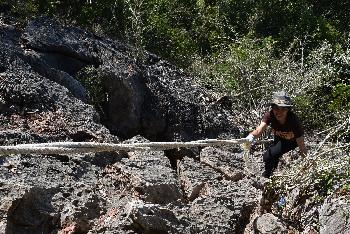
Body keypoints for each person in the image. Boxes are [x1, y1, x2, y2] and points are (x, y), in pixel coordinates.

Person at [245, 91, 307, 178]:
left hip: (291, 142)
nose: (279, 112)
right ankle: (269, 175)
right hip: (278, 138)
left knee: (267, 156)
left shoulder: (293, 121)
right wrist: (249, 138)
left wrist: (306, 162)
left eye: (283, 109)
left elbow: (301, 144)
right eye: (276, 108)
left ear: (288, 109)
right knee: (272, 157)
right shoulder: (270, 115)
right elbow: (259, 130)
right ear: (272, 108)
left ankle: (267, 176)